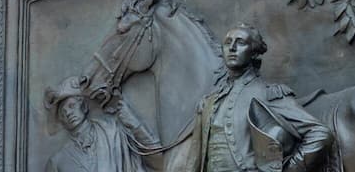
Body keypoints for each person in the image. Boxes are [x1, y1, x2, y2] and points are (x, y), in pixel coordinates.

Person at [168, 25, 330, 172]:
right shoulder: (209, 102)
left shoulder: (267, 93)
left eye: (240, 42)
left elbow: (320, 133)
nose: (232, 48)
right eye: (228, 42)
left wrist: (291, 169)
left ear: (253, 52)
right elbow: (195, 161)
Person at [44, 75, 161, 172]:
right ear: (61, 121)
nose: (68, 113)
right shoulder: (57, 162)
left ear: (84, 106)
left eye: (71, 106)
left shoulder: (114, 133)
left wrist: (135, 125)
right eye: (63, 113)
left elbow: (158, 162)